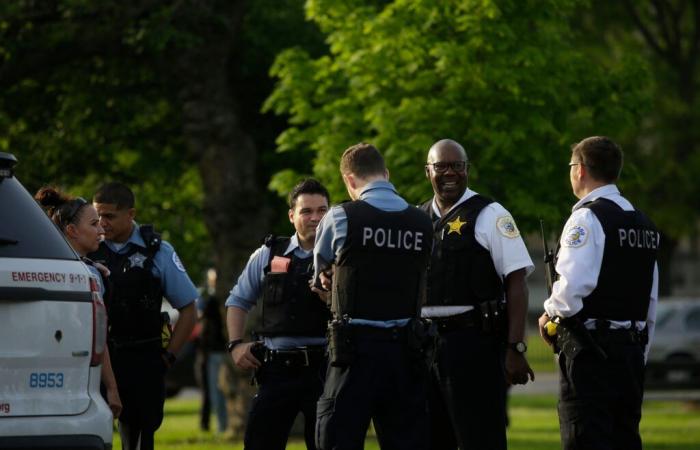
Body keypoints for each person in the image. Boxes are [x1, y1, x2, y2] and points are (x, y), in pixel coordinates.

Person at [538, 136, 659, 450]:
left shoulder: (587, 218)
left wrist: (549, 312)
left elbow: (571, 289)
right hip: (630, 352)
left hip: (592, 354)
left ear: (579, 171)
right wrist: (640, 351)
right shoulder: (643, 223)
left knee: (585, 439)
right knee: (625, 439)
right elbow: (651, 299)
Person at [313, 143, 434, 450]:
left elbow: (319, 277)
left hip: (353, 353)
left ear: (349, 180)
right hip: (406, 352)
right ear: (387, 174)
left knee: (337, 438)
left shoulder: (341, 216)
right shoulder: (422, 222)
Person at [420, 139, 535, 450]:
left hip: (474, 346)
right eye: (441, 166)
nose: (450, 173)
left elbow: (517, 282)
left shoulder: (491, 214)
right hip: (424, 349)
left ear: (467, 170)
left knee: (480, 438)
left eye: (457, 166)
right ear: (427, 171)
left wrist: (515, 347)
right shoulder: (416, 219)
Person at [88, 182, 198, 450]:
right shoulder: (88, 248)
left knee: (139, 438)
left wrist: (168, 357)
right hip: (99, 360)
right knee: (90, 434)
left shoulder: (157, 251)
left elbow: (188, 309)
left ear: (131, 214)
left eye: (109, 216)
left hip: (143, 359)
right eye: (97, 216)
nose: (102, 223)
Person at [225, 178, 331, 450]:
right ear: (292, 215)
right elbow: (237, 300)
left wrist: (331, 297)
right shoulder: (269, 254)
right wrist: (236, 345)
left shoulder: (341, 255)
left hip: (325, 369)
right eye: (307, 211)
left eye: (322, 210)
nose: (315, 218)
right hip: (276, 370)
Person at [35, 186, 122, 420]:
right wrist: (112, 389)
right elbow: (97, 337)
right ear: (72, 230)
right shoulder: (90, 276)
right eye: (94, 224)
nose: (101, 229)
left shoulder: (38, 265)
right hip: (77, 380)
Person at [196, 268, 228, 433]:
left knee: (217, 390)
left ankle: (223, 427)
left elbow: (198, 317)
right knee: (216, 390)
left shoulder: (211, 299)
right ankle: (219, 425)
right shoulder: (216, 298)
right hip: (215, 350)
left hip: (217, 350)